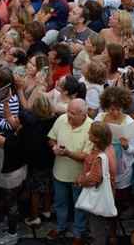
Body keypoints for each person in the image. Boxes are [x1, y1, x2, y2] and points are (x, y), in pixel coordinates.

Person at [47, 98, 91, 241]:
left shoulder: (91, 127)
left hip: (79, 177)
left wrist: (68, 153)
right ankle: (61, 227)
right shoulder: (62, 119)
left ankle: (78, 232)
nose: (68, 115)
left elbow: (86, 156)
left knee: (79, 205)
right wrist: (54, 146)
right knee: (60, 202)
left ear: (83, 114)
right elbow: (51, 138)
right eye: (68, 111)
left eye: (72, 113)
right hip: (59, 173)